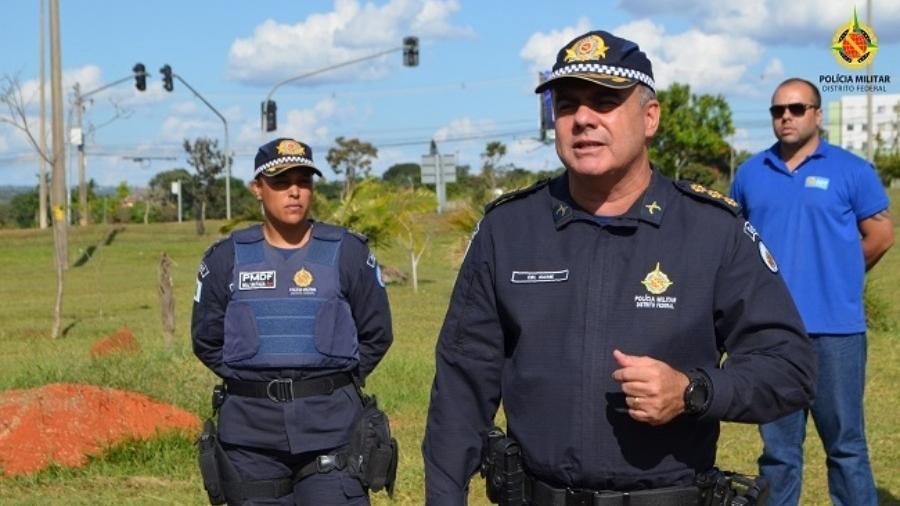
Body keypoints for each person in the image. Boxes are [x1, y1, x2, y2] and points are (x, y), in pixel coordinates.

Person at [422, 30, 817, 506]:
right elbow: (462, 383)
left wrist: (692, 390)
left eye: (604, 101)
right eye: (567, 105)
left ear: (650, 118)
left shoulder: (712, 230)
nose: (582, 119)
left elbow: (789, 368)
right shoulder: (508, 229)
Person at [192, 137, 393, 505]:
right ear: (258, 189)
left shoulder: (348, 252)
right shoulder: (226, 259)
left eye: (303, 181)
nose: (294, 192)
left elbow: (377, 333)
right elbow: (206, 340)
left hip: (332, 429)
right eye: (281, 183)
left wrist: (329, 381)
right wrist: (255, 378)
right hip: (250, 436)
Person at [731, 78, 894, 506]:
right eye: (777, 110)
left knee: (846, 448)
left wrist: (840, 272)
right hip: (771, 336)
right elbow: (734, 244)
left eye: (797, 108)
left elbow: (880, 234)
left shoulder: (852, 170)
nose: (785, 116)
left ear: (817, 115)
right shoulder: (749, 174)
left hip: (837, 333)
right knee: (779, 454)